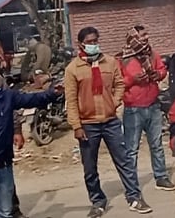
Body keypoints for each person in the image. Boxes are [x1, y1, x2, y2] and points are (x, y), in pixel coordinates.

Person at [65, 27, 152, 216]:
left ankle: (134, 197)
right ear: (81, 44)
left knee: (124, 160)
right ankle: (98, 201)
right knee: (90, 167)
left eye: (96, 40)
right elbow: (71, 100)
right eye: (89, 42)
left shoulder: (110, 62)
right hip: (88, 124)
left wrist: (114, 102)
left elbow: (119, 83)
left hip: (110, 121)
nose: (94, 44)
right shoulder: (73, 69)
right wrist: (76, 126)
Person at [0, 63, 63, 218]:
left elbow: (32, 99)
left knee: (6, 212)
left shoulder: (8, 97)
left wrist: (52, 93)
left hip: (5, 166)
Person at [120, 26, 175, 191]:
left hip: (153, 106)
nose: (146, 37)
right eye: (143, 35)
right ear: (134, 38)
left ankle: (161, 177)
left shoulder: (152, 54)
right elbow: (117, 82)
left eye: (146, 34)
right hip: (133, 109)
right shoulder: (123, 59)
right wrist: (133, 79)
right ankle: (131, 184)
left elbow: (162, 70)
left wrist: (157, 75)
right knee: (131, 149)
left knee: (157, 144)